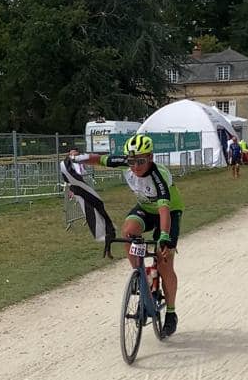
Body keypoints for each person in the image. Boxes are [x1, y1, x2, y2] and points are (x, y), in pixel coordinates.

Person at [70, 134, 184, 337]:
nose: (135, 166)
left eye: (140, 161)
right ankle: (141, 276)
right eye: (131, 161)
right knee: (128, 232)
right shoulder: (126, 163)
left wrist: (164, 236)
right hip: (145, 209)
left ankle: (171, 313)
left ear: (150, 157)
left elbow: (164, 210)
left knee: (164, 261)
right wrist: (77, 158)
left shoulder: (159, 177)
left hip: (168, 212)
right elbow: (99, 159)